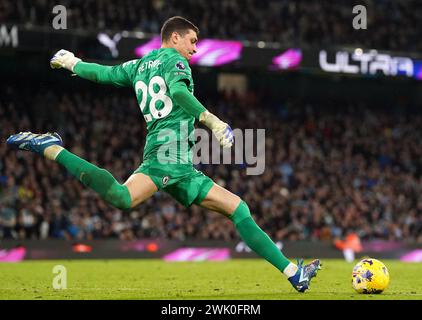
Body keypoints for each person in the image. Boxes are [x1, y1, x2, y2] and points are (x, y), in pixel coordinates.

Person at [6, 16, 320, 292]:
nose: (195, 49)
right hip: (168, 156)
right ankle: (52, 149)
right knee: (122, 198)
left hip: (180, 161)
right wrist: (212, 120)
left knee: (239, 209)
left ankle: (294, 274)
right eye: (192, 41)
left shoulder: (138, 65)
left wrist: (71, 62)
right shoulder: (175, 61)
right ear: (174, 38)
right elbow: (180, 92)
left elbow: (101, 74)